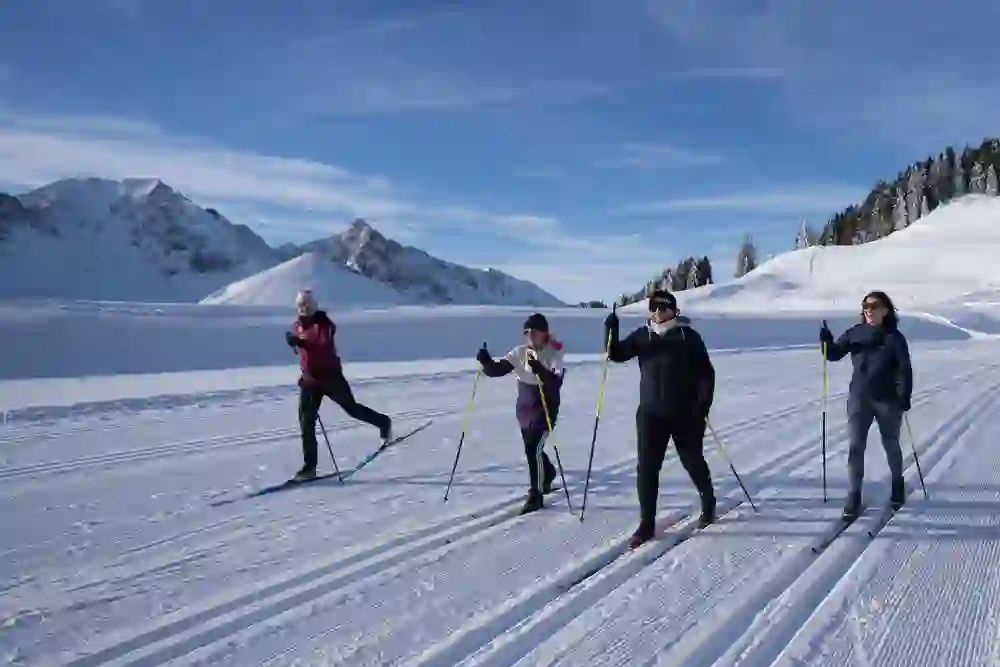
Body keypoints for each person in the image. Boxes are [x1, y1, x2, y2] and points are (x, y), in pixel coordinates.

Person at [604, 289, 716, 549]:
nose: (658, 312)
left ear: (674, 311)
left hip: (685, 413)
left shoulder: (688, 337)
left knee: (692, 460)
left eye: (663, 308)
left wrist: (702, 406)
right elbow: (617, 354)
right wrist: (610, 332)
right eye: (654, 308)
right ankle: (646, 523)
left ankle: (708, 501)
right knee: (647, 468)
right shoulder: (643, 336)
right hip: (650, 414)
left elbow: (706, 375)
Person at [821, 290, 912, 520]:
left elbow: (904, 369)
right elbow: (833, 354)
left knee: (890, 443)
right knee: (855, 447)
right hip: (859, 399)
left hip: (888, 400)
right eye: (865, 306)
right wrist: (826, 342)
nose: (869, 310)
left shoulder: (894, 337)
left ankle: (897, 483)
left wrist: (904, 395)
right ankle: (854, 495)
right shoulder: (855, 333)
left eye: (874, 305)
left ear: (886, 310)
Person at [285, 290, 392, 480]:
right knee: (306, 422)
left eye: (308, 305)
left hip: (331, 378)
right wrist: (294, 345)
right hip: (310, 381)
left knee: (352, 409)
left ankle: (383, 422)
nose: (305, 309)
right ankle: (309, 467)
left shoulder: (324, 324)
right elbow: (300, 351)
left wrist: (300, 343)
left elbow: (321, 343)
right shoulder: (296, 327)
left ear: (315, 305)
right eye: (302, 306)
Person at [476, 313, 565, 515]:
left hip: (545, 408)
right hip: (524, 409)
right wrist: (487, 362)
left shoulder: (554, 353)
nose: (531, 336)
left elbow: (555, 383)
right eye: (527, 332)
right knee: (533, 448)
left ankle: (536, 494)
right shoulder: (519, 352)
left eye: (535, 332)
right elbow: (498, 369)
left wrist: (540, 370)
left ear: (544, 333)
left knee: (533, 448)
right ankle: (548, 472)